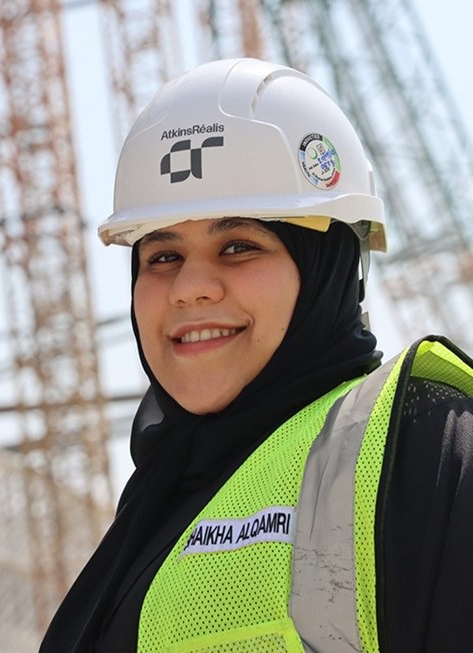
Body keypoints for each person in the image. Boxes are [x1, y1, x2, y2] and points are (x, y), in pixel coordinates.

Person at [40, 58, 473, 651]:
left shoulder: (432, 450)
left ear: (327, 269)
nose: (191, 287)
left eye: (239, 245)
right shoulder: (156, 503)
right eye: (161, 256)